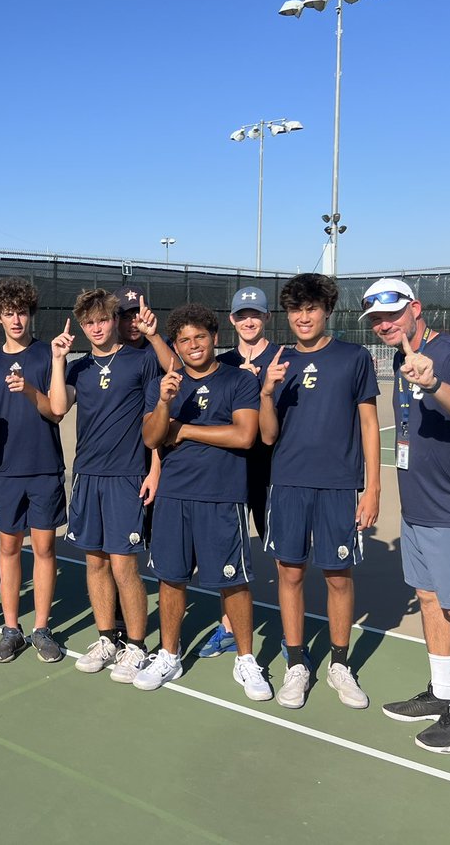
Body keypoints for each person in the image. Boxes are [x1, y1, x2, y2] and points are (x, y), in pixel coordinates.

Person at [363, 278, 450, 753]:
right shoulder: (399, 358)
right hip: (420, 509)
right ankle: (441, 694)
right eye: (377, 320)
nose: (385, 325)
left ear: (416, 309)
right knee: (429, 599)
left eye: (392, 315)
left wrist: (433, 382)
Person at [135, 305, 271, 699]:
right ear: (176, 346)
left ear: (214, 337)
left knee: (234, 583)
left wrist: (186, 429)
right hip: (174, 497)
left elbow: (245, 436)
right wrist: (163, 404)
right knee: (171, 578)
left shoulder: (238, 380)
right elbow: (151, 438)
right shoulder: (166, 384)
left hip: (222, 497)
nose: (193, 346)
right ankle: (169, 654)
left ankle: (246, 659)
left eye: (200, 337)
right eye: (185, 340)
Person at [259, 273, 380, 710]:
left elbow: (369, 424)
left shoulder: (354, 357)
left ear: (327, 310)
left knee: (338, 577)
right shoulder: (277, 360)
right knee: (289, 574)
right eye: (296, 309)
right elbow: (268, 436)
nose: (303, 317)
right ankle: (296, 662)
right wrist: (267, 390)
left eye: (311, 308)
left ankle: (340, 665)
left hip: (338, 486)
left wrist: (373, 488)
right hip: (288, 483)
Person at [49, 289, 161, 683]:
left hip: (126, 477)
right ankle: (106, 637)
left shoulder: (142, 360)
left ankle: (136, 646)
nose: (96, 328)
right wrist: (58, 360)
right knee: (94, 562)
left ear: (115, 320)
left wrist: (154, 470)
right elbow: (59, 407)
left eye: (102, 320)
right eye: (89, 323)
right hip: (87, 475)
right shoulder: (77, 368)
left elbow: (155, 420)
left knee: (124, 565)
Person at [0, 277, 67, 663]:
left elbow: (56, 411)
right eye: (9, 313)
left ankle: (41, 629)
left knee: (44, 548)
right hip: (5, 471)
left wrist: (31, 389)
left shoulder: (48, 355)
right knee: (9, 547)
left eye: (22, 312)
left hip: (45, 468)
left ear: (31, 314)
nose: (16, 319)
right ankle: (11, 629)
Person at [200, 286, 277, 659]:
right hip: (229, 471)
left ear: (266, 318)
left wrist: (261, 386)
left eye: (256, 314)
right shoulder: (222, 364)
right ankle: (228, 627)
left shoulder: (283, 358)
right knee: (227, 552)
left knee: (282, 553)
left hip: (273, 469)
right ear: (232, 320)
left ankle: (287, 633)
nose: (249, 320)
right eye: (242, 315)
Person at [114, 283, 177, 373]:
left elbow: (180, 375)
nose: (134, 324)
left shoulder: (161, 343)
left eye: (139, 316)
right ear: (115, 319)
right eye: (126, 318)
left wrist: (154, 337)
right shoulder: (109, 350)